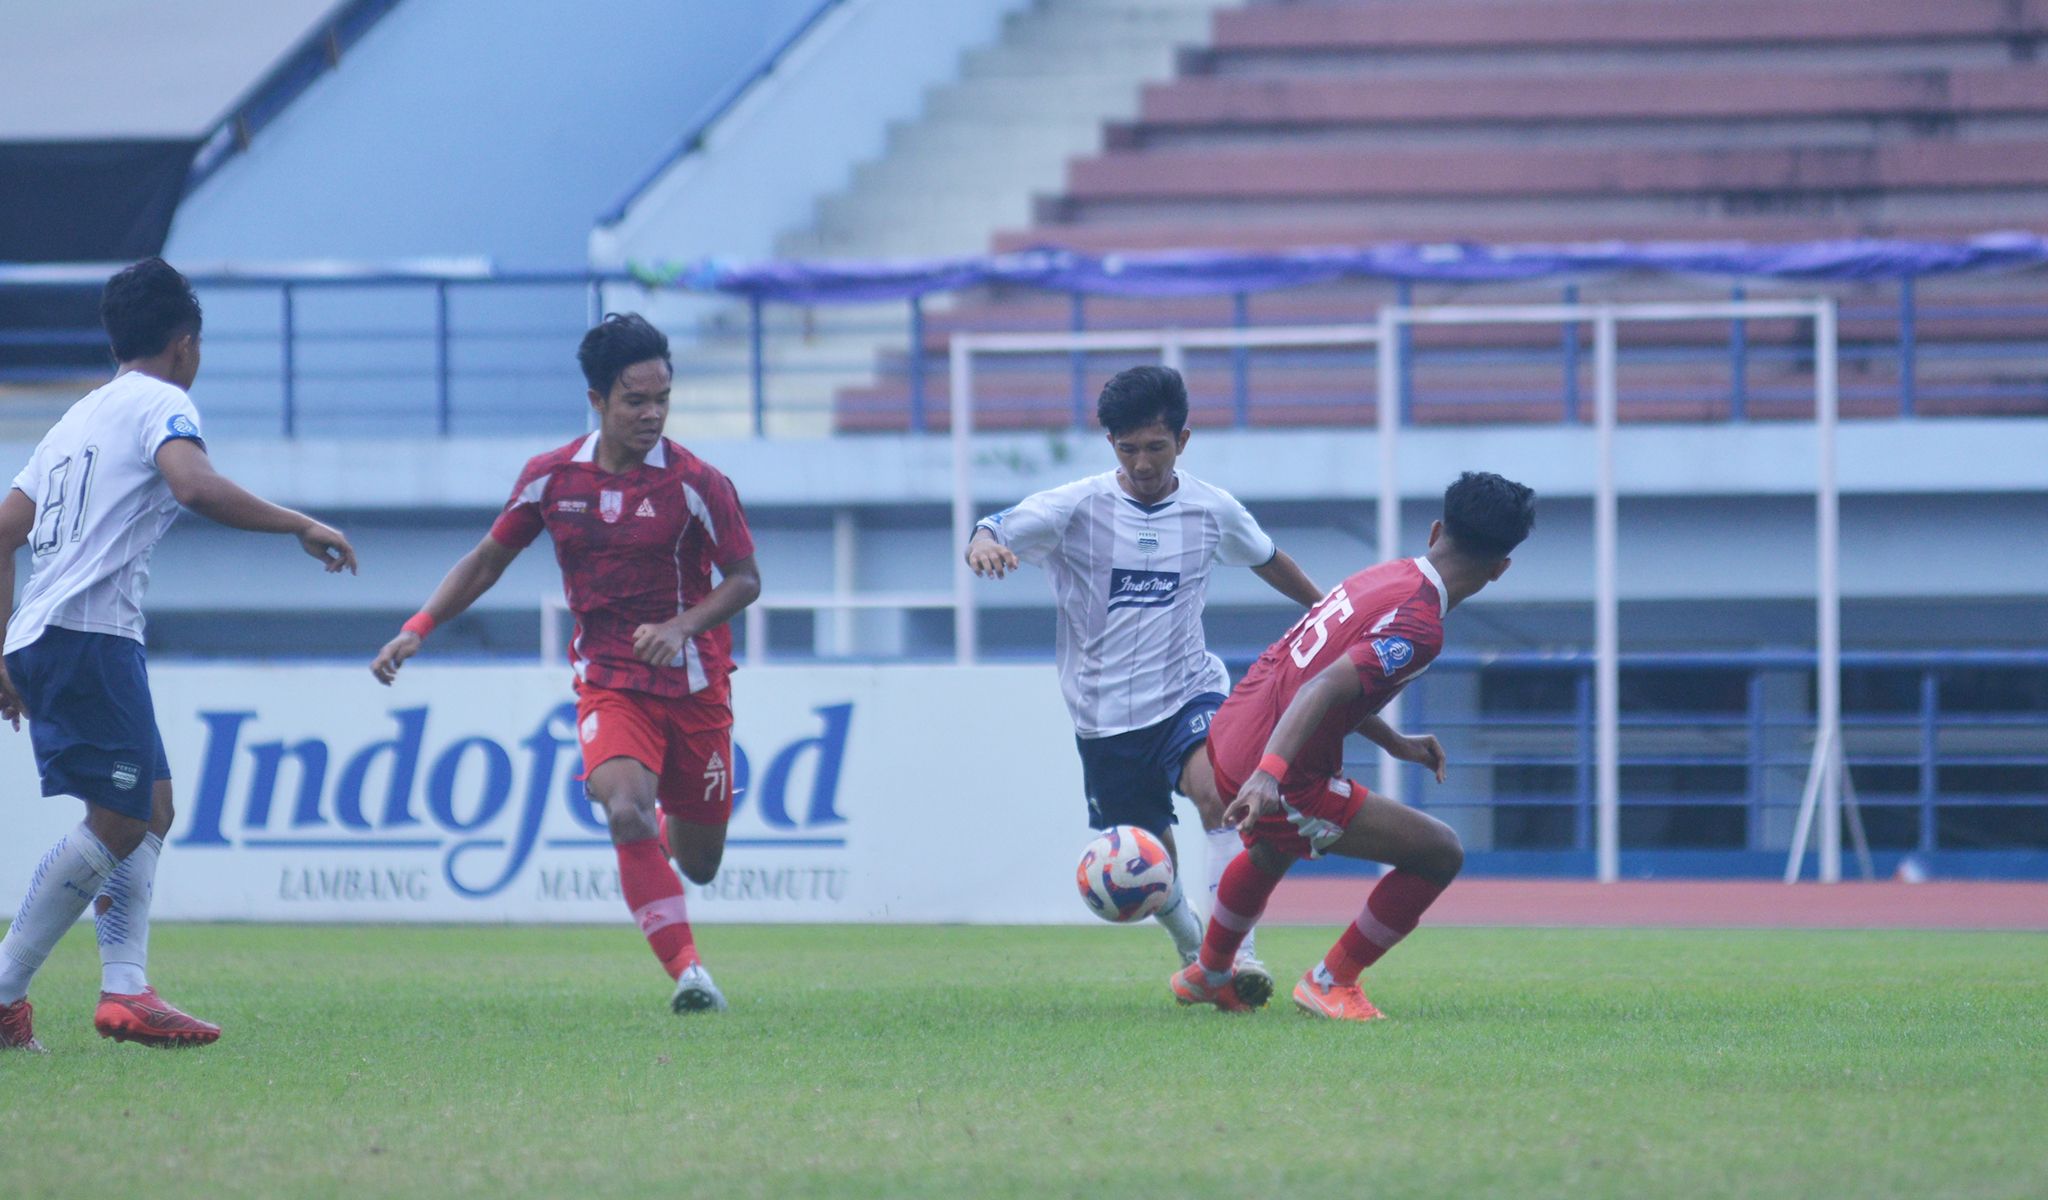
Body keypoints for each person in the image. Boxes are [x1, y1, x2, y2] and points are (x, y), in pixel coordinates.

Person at [0, 258, 358, 1051]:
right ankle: (4, 989)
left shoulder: (75, 420)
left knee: (151, 807)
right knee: (123, 817)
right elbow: (194, 486)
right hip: (86, 635)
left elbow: (2, 531)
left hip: (56, 633)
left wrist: (2, 649)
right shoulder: (163, 400)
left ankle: (127, 990)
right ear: (185, 344)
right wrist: (299, 523)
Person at [370, 313, 759, 1016]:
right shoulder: (551, 479)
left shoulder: (699, 483)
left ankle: (670, 846)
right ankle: (690, 974)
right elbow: (488, 559)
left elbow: (745, 580)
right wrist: (419, 627)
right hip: (611, 684)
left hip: (696, 686)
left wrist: (680, 625)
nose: (652, 413)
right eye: (635, 400)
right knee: (624, 808)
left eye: (662, 398)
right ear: (597, 401)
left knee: (699, 862)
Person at [966, 365, 1322, 1000]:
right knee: (1152, 860)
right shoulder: (1076, 507)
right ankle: (1200, 958)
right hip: (1103, 717)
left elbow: (1269, 558)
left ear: (1182, 441)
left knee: (1219, 797)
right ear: (1111, 446)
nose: (1142, 463)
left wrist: (1331, 616)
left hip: (1189, 689)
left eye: (1155, 447)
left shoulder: (1212, 509)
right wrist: (984, 546)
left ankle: (1238, 951)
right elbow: (992, 527)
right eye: (1127, 449)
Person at [1170, 471, 1535, 1020]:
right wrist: (1269, 774)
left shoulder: (1387, 575)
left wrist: (1392, 741)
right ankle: (1331, 980)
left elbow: (1323, 676)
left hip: (1234, 726)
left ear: (1436, 531)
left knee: (1275, 845)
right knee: (1439, 852)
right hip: (1270, 763)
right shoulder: (1420, 627)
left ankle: (1210, 969)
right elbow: (1323, 686)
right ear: (1501, 568)